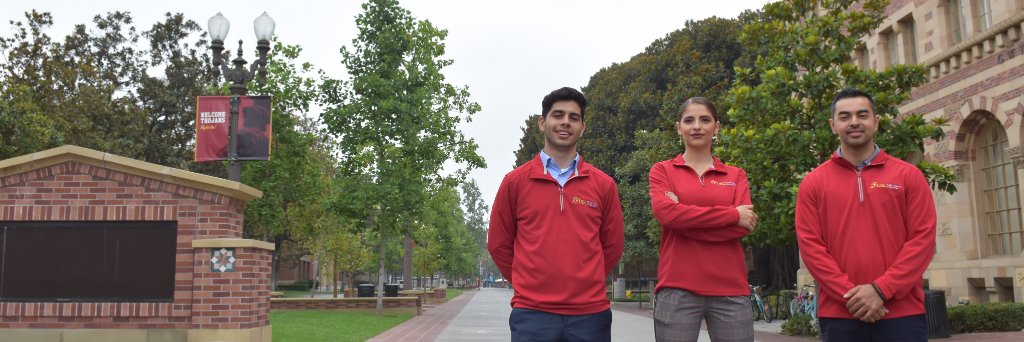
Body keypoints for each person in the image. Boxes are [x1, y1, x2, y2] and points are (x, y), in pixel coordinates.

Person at [795, 88, 936, 341]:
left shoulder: (908, 176)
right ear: (833, 125)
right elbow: (811, 248)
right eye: (845, 116)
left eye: (862, 115)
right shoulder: (813, 183)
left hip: (901, 312)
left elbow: (922, 241)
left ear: (876, 121)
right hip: (841, 314)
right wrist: (851, 296)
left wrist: (881, 290)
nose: (854, 122)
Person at [488, 87, 624, 342]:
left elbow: (613, 246)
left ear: (582, 127)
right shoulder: (514, 182)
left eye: (574, 117)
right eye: (558, 115)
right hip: (532, 313)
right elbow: (498, 244)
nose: (565, 122)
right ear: (542, 122)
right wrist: (527, 281)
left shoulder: (604, 185)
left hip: (590, 314)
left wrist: (587, 279)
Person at [649, 97, 757, 342]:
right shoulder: (662, 170)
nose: (697, 126)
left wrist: (682, 219)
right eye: (689, 120)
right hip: (677, 287)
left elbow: (742, 228)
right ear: (679, 127)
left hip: (731, 290)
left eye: (705, 120)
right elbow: (666, 213)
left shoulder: (736, 175)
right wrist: (731, 215)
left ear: (716, 127)